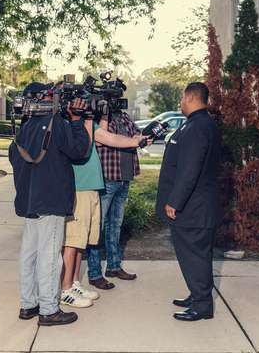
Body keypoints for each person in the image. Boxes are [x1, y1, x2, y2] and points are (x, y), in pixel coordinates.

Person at [9, 82, 90, 326]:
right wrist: (76, 121)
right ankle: (48, 309)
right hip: (51, 201)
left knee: (29, 254)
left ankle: (28, 304)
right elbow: (80, 151)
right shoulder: (59, 126)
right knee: (49, 256)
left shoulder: (23, 130)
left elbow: (15, 159)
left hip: (29, 201)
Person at [61, 113, 148, 307]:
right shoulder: (76, 125)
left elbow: (117, 138)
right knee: (74, 241)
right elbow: (103, 141)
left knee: (82, 240)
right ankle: (67, 287)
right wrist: (99, 117)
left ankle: (74, 283)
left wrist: (138, 140)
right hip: (83, 187)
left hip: (95, 186)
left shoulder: (90, 124)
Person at [156, 82, 222, 321]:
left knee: (196, 255)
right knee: (193, 255)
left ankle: (202, 305)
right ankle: (197, 295)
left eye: (183, 99)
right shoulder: (199, 124)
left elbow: (190, 169)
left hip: (194, 208)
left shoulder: (197, 127)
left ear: (191, 97)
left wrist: (175, 201)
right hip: (196, 205)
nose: (181, 103)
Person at [86, 108, 142, 290]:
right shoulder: (98, 118)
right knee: (98, 227)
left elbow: (137, 136)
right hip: (107, 178)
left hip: (124, 178)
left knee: (115, 226)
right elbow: (102, 142)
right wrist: (103, 115)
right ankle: (94, 273)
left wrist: (145, 137)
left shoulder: (124, 116)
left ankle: (113, 266)